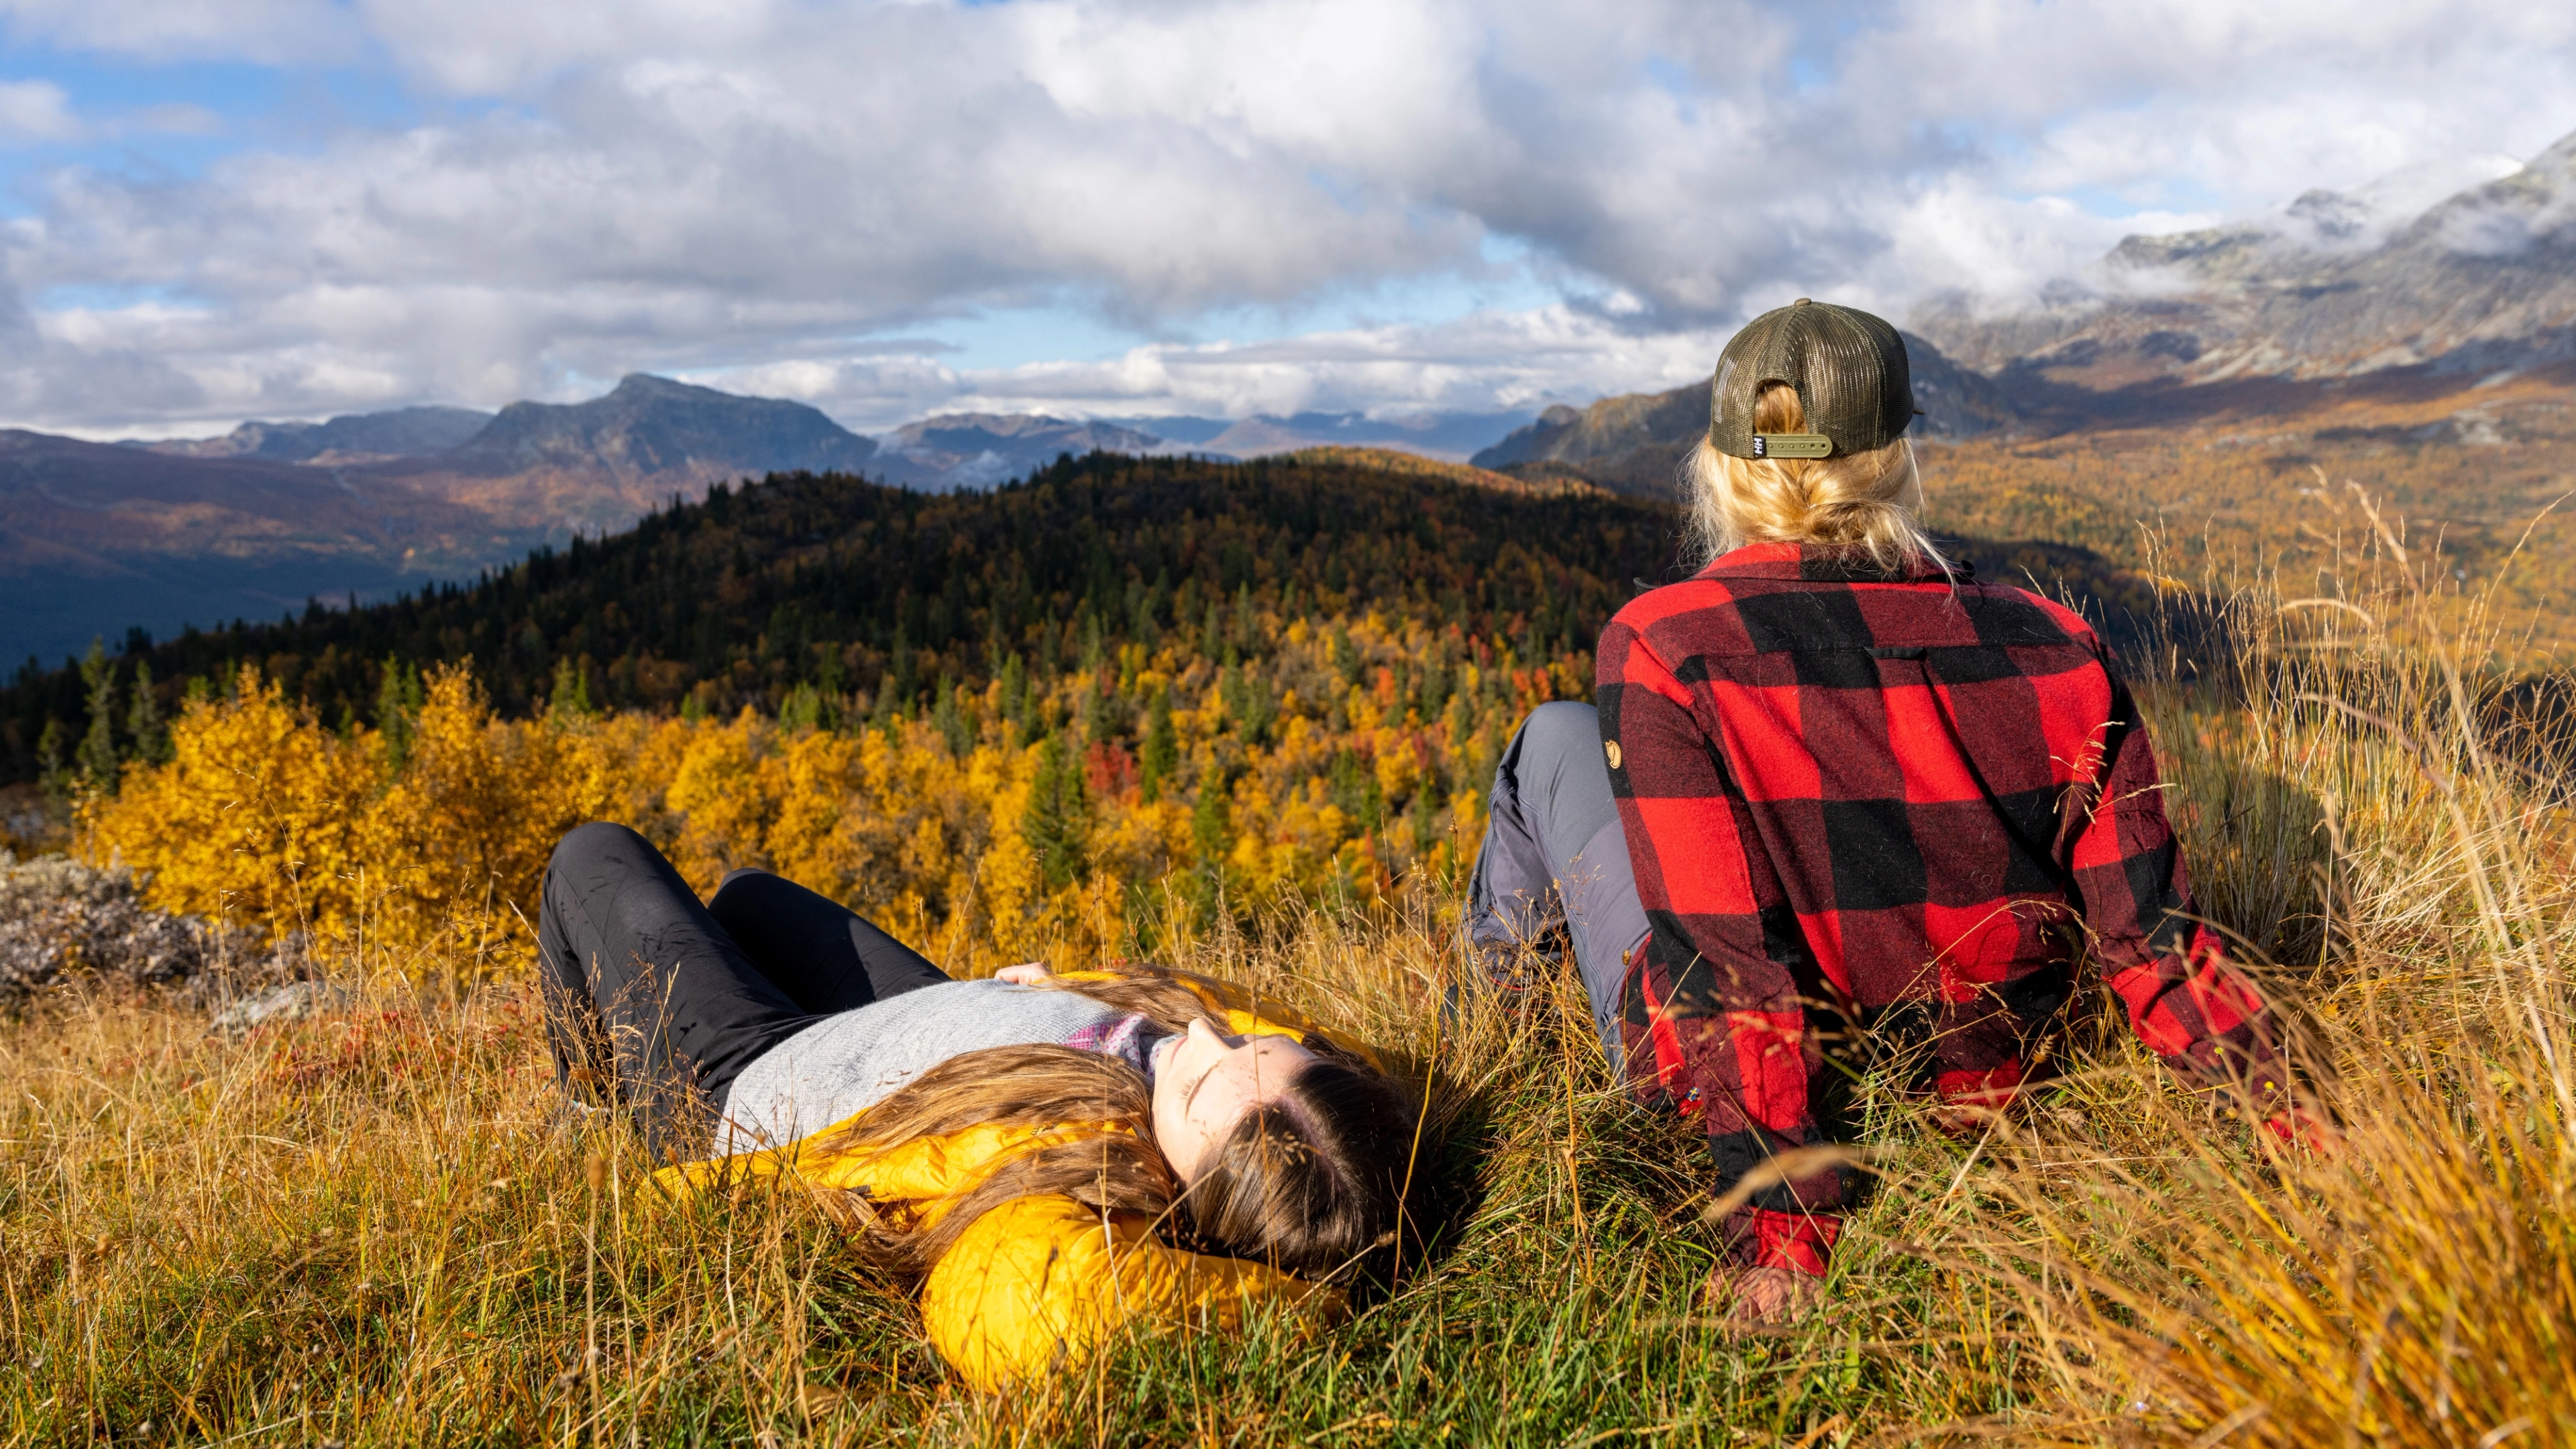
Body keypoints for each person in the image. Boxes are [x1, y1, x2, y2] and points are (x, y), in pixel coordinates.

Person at [1468, 299, 2312, 1327]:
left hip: (1743, 1090)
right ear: (1896, 457)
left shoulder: (1664, 645)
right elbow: (2158, 949)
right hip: (1983, 1086)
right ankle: (1506, 1049)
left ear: (1726, 466)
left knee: (1549, 742)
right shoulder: (2059, 644)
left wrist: (1782, 1240)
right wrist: (2301, 1128)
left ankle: (1494, 1056)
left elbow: (1727, 965)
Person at [535, 820, 1418, 1391]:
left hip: (756, 1084)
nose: (1205, 1037)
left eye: (1195, 1080)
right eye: (1249, 1040)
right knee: (750, 897)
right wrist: (1068, 991)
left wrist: (1314, 1308)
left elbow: (1044, 1315)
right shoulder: (1261, 1101)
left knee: (591, 856)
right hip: (925, 1019)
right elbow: (1319, 1078)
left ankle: (590, 1116)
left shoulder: (1056, 1193)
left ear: (1191, 1190)